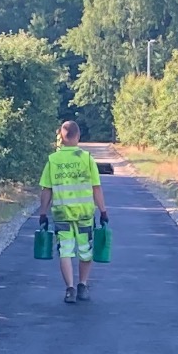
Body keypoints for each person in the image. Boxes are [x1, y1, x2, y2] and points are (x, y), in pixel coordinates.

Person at [37, 119, 109, 304]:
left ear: (61, 136)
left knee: (65, 251)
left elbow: (46, 190)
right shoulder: (86, 158)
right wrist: (103, 211)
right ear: (78, 136)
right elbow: (96, 187)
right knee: (86, 251)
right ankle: (82, 285)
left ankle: (69, 289)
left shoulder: (53, 160)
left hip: (62, 214)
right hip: (84, 215)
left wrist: (43, 213)